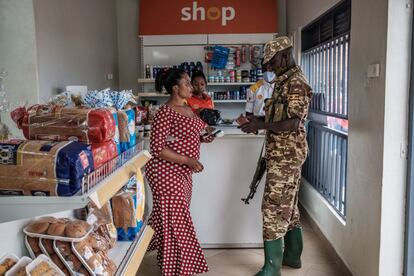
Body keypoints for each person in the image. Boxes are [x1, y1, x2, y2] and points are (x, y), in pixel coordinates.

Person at [238, 37, 312, 276]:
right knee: (287, 207)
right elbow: (278, 116)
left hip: (287, 157)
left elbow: (291, 122)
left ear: (285, 55)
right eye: (267, 65)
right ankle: (292, 257)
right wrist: (257, 121)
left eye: (272, 63)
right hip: (281, 155)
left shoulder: (296, 83)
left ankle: (272, 268)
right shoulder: (284, 81)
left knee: (273, 208)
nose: (269, 68)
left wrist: (260, 125)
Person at [146, 68, 214, 275]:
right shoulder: (164, 112)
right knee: (176, 221)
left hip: (182, 173)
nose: (191, 86)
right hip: (165, 173)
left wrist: (204, 137)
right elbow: (157, 148)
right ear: (175, 88)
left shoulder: (187, 108)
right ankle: (180, 269)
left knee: (169, 220)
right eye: (186, 83)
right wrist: (187, 160)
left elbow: (192, 134)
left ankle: (168, 262)